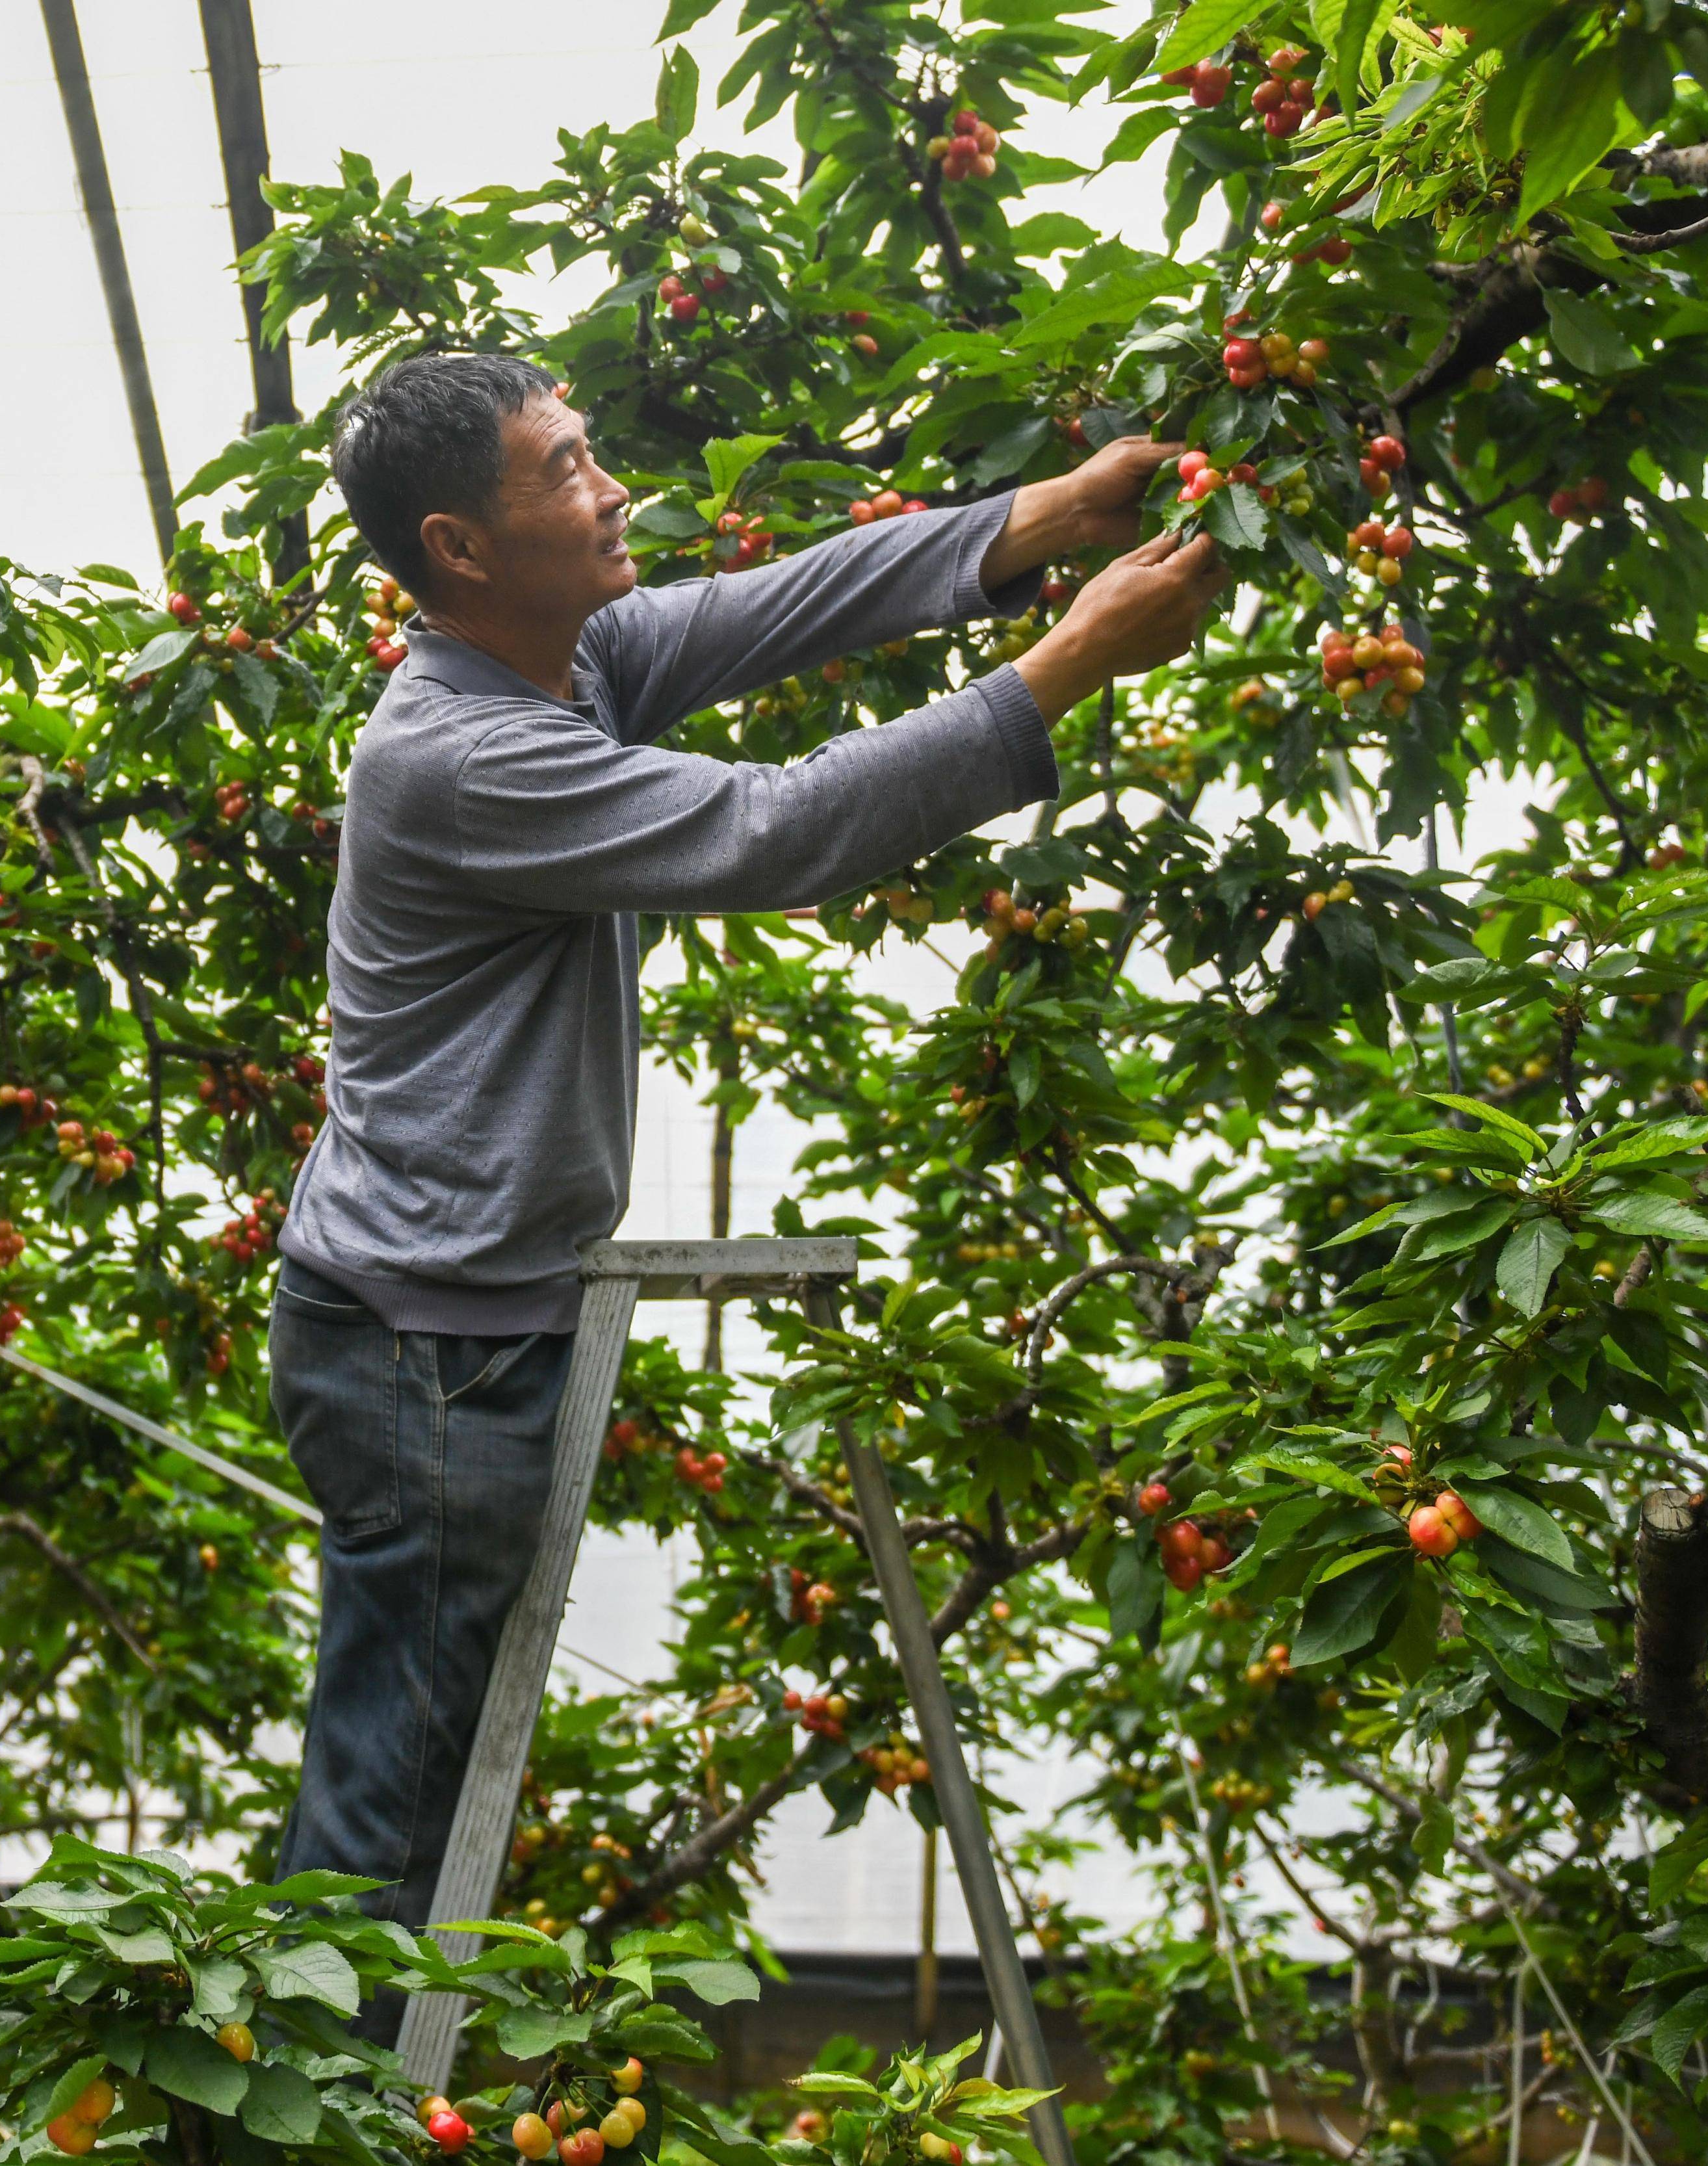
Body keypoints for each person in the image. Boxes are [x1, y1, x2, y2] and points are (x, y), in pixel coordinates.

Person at [266, 352, 1224, 1966]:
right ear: (461, 549)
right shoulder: (457, 754)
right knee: (391, 1803)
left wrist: (1041, 517)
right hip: (423, 1347)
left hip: (449, 1314)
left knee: (415, 1767)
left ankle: (333, 2088)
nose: (610, 485)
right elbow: (777, 834)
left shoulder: (564, 665)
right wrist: (1065, 663)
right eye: (565, 469)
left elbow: (789, 601)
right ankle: (308, 2117)